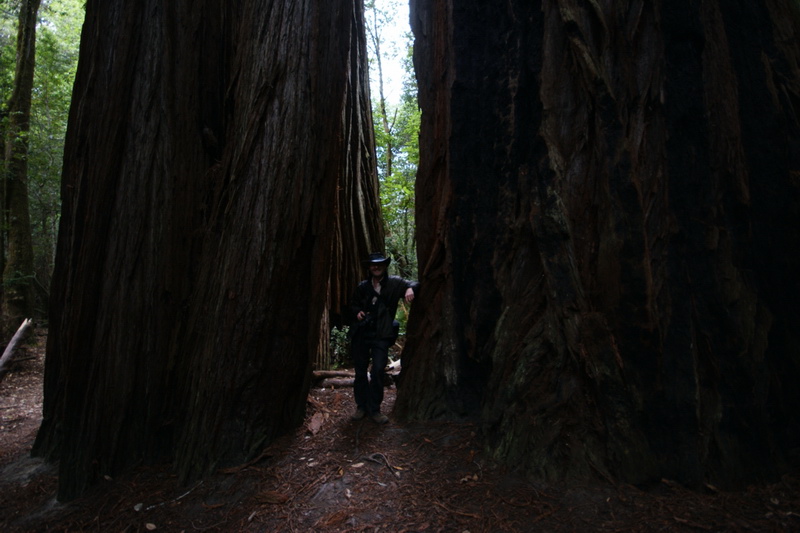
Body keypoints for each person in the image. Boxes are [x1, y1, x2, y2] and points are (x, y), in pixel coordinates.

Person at [347, 252, 418, 424]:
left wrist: (410, 288)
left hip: (382, 334)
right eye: (373, 264)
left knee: (378, 370)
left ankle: (375, 409)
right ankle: (361, 407)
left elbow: (415, 283)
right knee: (360, 372)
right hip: (362, 334)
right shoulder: (363, 287)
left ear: (384, 266)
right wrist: (357, 312)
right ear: (369, 267)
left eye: (379, 264)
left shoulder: (394, 283)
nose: (376, 267)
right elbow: (352, 305)